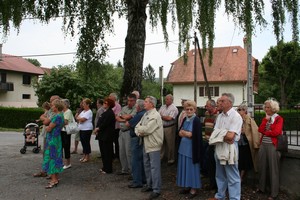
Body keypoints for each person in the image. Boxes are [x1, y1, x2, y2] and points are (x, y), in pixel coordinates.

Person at [208, 93, 243, 200]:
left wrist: (219, 134)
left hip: (230, 148)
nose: (219, 103)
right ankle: (220, 196)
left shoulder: (236, 116)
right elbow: (215, 134)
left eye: (222, 101)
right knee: (219, 174)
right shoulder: (219, 116)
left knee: (232, 176)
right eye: (219, 101)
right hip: (219, 147)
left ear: (230, 103)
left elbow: (231, 137)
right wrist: (223, 134)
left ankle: (234, 198)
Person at [135, 96, 164, 200]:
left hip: (153, 145)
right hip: (146, 144)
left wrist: (140, 130)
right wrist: (140, 131)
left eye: (146, 102)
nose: (144, 103)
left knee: (154, 167)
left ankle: (156, 189)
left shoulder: (155, 115)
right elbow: (137, 127)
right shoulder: (146, 114)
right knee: (147, 166)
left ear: (152, 104)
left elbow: (147, 129)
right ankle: (149, 185)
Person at [257, 98, 283, 200]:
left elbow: (276, 132)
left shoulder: (278, 119)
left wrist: (266, 132)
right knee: (262, 167)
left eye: (268, 107)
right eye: (265, 107)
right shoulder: (266, 118)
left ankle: (274, 193)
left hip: (273, 146)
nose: (266, 109)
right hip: (263, 145)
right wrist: (266, 122)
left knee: (273, 170)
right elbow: (260, 129)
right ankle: (261, 188)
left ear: (273, 108)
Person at [176, 100, 202, 199]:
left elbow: (192, 135)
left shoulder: (196, 120)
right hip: (183, 148)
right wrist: (185, 133)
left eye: (191, 109)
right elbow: (179, 132)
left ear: (195, 110)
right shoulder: (184, 118)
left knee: (192, 168)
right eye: (187, 109)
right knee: (184, 168)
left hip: (192, 149)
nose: (189, 111)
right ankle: (187, 186)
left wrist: (184, 133)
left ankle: (194, 188)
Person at [33, 95, 60, 178]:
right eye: (50, 101)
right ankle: (45, 171)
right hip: (47, 135)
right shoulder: (50, 111)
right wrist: (45, 118)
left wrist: (45, 119)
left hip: (52, 136)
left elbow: (46, 122)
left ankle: (51, 174)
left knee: (52, 155)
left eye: (52, 101)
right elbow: (41, 116)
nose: (50, 103)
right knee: (46, 154)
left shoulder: (56, 113)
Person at [42, 99, 65, 189]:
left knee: (51, 158)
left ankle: (53, 180)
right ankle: (56, 178)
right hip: (57, 139)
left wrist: (47, 126)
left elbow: (49, 128)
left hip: (52, 140)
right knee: (56, 157)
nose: (51, 107)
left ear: (56, 107)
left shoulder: (57, 117)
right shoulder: (61, 115)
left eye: (53, 105)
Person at [236, 104, 260, 183]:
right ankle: (238, 177)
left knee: (244, 161)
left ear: (244, 111)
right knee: (238, 160)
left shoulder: (249, 119)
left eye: (240, 110)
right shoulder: (237, 119)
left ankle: (240, 177)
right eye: (238, 110)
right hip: (238, 143)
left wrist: (256, 143)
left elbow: (255, 131)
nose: (238, 111)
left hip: (245, 144)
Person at [126, 99, 146, 188]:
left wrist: (126, 120)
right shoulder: (144, 114)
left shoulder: (139, 115)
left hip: (136, 139)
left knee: (135, 160)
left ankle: (137, 181)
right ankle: (143, 179)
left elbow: (128, 124)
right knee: (140, 159)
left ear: (138, 107)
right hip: (140, 139)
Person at [116, 93, 137, 175]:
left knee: (129, 152)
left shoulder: (136, 109)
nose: (129, 102)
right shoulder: (124, 107)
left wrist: (123, 117)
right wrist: (123, 119)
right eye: (128, 100)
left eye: (131, 101)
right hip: (121, 131)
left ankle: (131, 171)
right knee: (122, 152)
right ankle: (124, 169)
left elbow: (129, 117)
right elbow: (117, 117)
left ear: (135, 101)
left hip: (128, 131)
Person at [95, 97, 116, 174]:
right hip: (102, 135)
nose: (104, 104)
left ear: (109, 105)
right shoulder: (104, 112)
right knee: (103, 152)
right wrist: (97, 128)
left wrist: (98, 128)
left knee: (107, 152)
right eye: (104, 102)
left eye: (105, 103)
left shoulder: (110, 113)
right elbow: (99, 121)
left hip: (107, 136)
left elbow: (105, 123)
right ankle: (104, 167)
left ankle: (108, 169)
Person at [202, 99, 219, 191]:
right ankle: (211, 181)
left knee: (213, 163)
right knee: (207, 161)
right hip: (206, 140)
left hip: (212, 142)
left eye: (207, 105)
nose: (206, 107)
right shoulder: (206, 114)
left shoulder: (218, 115)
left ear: (212, 106)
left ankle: (214, 183)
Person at [159, 94, 178, 165]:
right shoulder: (162, 106)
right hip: (161, 127)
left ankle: (171, 159)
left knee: (170, 144)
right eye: (165, 99)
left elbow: (169, 118)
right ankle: (161, 158)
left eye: (167, 99)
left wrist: (162, 116)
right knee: (161, 143)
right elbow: (158, 115)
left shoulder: (174, 108)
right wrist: (163, 117)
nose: (165, 100)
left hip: (170, 127)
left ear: (171, 100)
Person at [76, 98, 93, 163]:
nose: (83, 105)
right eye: (83, 103)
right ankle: (84, 155)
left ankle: (87, 156)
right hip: (81, 128)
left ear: (88, 104)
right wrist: (80, 118)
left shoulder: (89, 112)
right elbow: (77, 117)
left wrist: (80, 118)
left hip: (87, 129)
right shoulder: (83, 111)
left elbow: (83, 119)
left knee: (86, 142)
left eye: (84, 103)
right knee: (83, 142)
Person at [61, 99, 75, 170]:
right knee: (62, 146)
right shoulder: (63, 111)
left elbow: (65, 122)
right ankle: (63, 162)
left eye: (62, 103)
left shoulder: (68, 111)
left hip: (66, 131)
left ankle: (68, 163)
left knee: (66, 147)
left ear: (65, 105)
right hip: (62, 131)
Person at [109, 93, 122, 159]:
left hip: (116, 126)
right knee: (110, 141)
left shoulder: (117, 106)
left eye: (110, 96)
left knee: (116, 141)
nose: (109, 97)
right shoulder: (109, 105)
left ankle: (118, 155)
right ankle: (111, 154)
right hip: (110, 126)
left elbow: (117, 116)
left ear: (114, 98)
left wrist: (109, 117)